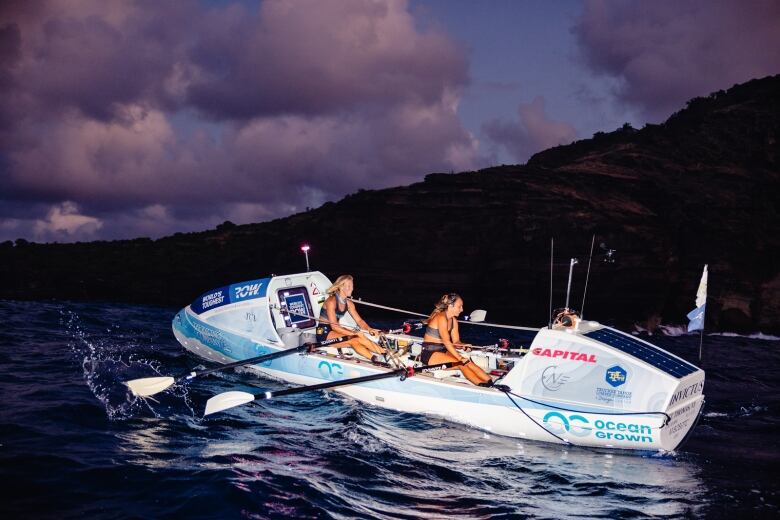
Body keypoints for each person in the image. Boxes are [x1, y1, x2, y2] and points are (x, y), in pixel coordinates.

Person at [422, 293, 493, 387]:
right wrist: (460, 358)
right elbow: (447, 342)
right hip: (429, 352)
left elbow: (456, 342)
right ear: (450, 306)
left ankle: (490, 382)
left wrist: (463, 345)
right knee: (461, 363)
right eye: (459, 306)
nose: (462, 309)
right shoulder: (441, 317)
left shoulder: (453, 320)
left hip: (443, 350)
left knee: (468, 362)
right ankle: (482, 385)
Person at [316, 275, 387, 361]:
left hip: (336, 330)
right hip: (325, 332)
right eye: (349, 286)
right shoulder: (331, 301)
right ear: (341, 287)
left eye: (352, 286)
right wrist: (354, 333)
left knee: (361, 337)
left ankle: (384, 354)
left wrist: (369, 329)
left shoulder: (349, 303)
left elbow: (359, 321)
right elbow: (334, 326)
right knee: (354, 339)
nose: (352, 288)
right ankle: (375, 359)